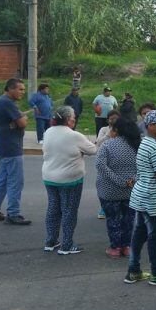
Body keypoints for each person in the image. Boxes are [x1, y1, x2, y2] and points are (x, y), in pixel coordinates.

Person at [125, 110, 156, 287]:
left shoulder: (145, 142)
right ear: (151, 126)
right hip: (152, 197)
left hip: (140, 194)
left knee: (139, 233)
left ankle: (134, 270)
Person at [41, 106, 97, 254]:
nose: (74, 118)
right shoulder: (74, 135)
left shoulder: (48, 132)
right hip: (69, 179)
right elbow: (93, 150)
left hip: (49, 177)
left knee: (53, 208)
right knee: (69, 211)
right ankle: (67, 245)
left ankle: (51, 241)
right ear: (68, 119)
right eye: (73, 116)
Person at [0, 78, 31, 225]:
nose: (22, 92)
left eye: (23, 89)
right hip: (11, 148)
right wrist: (22, 118)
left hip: (4, 146)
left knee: (2, 180)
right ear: (10, 89)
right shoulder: (7, 103)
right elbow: (22, 122)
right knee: (15, 181)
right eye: (20, 89)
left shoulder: (2, 102)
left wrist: (19, 118)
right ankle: (13, 214)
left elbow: (17, 120)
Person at [96, 117, 140, 259]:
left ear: (116, 130)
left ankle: (115, 247)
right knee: (129, 219)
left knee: (113, 219)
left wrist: (119, 181)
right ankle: (127, 247)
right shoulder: (138, 145)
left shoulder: (107, 145)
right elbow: (143, 166)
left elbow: (101, 166)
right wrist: (131, 180)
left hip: (109, 190)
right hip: (131, 189)